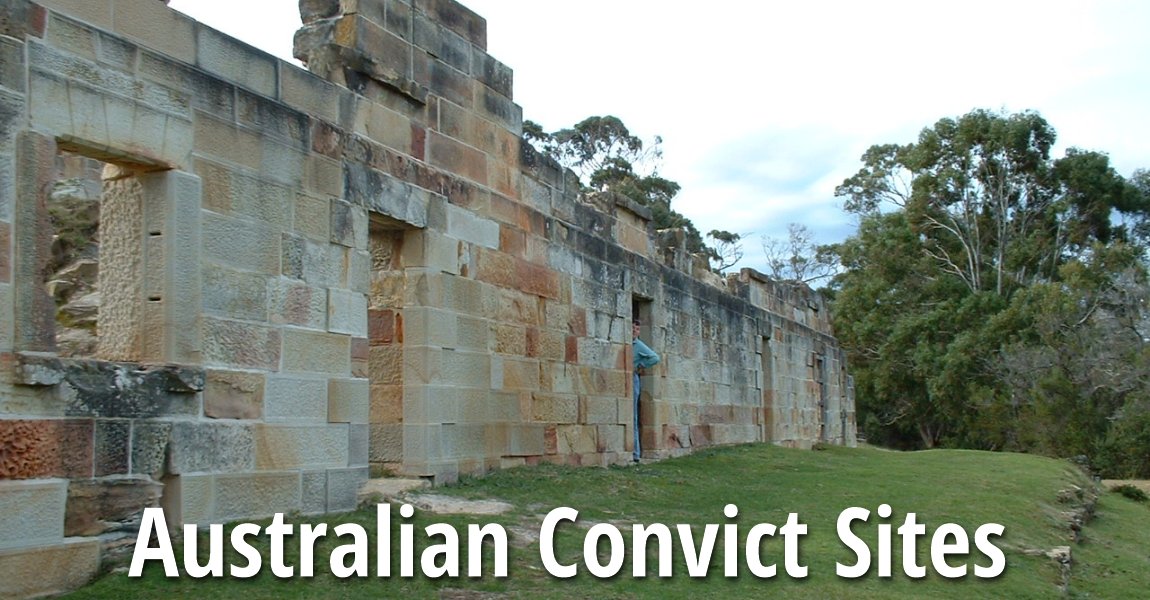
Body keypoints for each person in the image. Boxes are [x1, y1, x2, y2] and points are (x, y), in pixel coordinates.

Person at [632, 319, 660, 462]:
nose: (634, 331)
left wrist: (640, 365)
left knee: (633, 415)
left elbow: (655, 358)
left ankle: (635, 453)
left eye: (636, 329)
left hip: (632, 378)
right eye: (632, 328)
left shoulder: (638, 345)